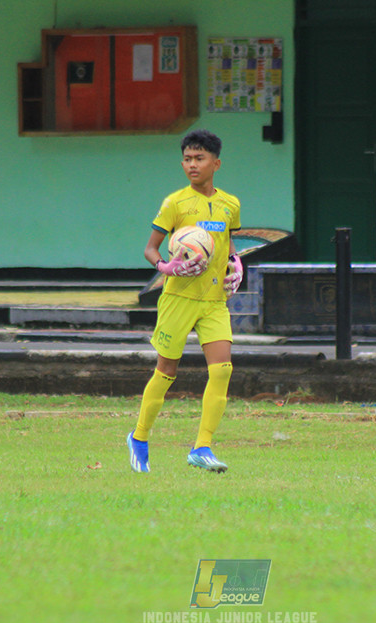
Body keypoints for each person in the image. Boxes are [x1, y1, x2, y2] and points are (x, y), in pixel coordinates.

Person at [126, 129, 244, 473]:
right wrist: (166, 266)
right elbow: (151, 249)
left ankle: (203, 447)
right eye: (187, 160)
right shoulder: (174, 203)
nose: (192, 165)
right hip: (178, 298)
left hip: (213, 300)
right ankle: (139, 437)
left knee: (222, 370)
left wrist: (236, 266)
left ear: (216, 163)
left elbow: (228, 246)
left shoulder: (230, 204)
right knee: (167, 370)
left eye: (200, 159)